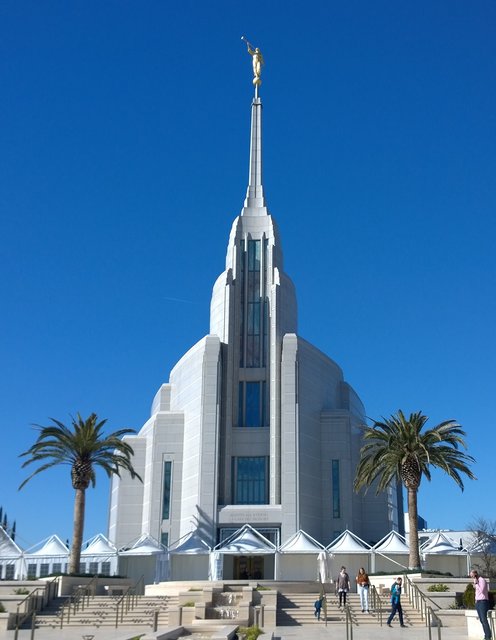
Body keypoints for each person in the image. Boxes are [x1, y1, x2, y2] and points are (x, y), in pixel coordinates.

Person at [470, 569, 492, 640]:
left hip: (483, 602)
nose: (471, 576)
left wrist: (476, 584)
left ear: (475, 574)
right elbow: (477, 592)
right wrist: (475, 600)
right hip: (478, 602)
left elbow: (482, 590)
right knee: (481, 620)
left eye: (472, 575)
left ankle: (488, 636)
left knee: (484, 619)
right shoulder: (476, 580)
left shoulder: (481, 580)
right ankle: (486, 636)